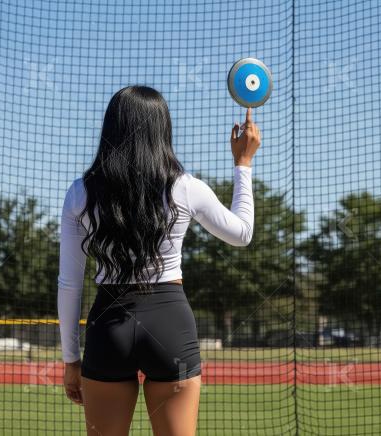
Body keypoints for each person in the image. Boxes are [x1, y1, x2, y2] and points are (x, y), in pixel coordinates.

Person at [57, 85, 261, 436]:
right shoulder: (186, 187)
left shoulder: (81, 191)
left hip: (108, 328)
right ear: (163, 129)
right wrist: (243, 164)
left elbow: (69, 284)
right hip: (171, 326)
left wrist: (70, 360)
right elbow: (242, 233)